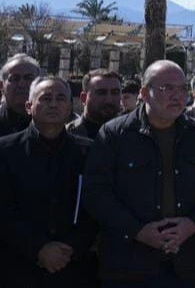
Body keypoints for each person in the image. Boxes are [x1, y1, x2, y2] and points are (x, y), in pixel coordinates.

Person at [83, 60, 195, 287]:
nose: (177, 95)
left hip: (184, 264)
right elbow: (96, 192)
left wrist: (192, 225)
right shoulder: (115, 135)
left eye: (182, 88)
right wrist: (138, 231)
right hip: (128, 265)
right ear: (144, 93)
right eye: (167, 88)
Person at [0, 76, 100, 287]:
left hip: (75, 266)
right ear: (29, 106)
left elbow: (97, 204)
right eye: (45, 99)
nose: (54, 104)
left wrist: (71, 247)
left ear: (71, 106)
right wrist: (38, 248)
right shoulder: (6, 151)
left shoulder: (90, 152)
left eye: (61, 98)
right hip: (18, 266)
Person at [67, 69, 123, 140]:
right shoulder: (66, 135)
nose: (109, 100)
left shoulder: (131, 136)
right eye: (101, 93)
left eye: (115, 92)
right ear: (84, 98)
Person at [0, 54, 39, 136]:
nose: (22, 84)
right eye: (15, 78)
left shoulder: (52, 123)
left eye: (29, 78)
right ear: (1, 86)